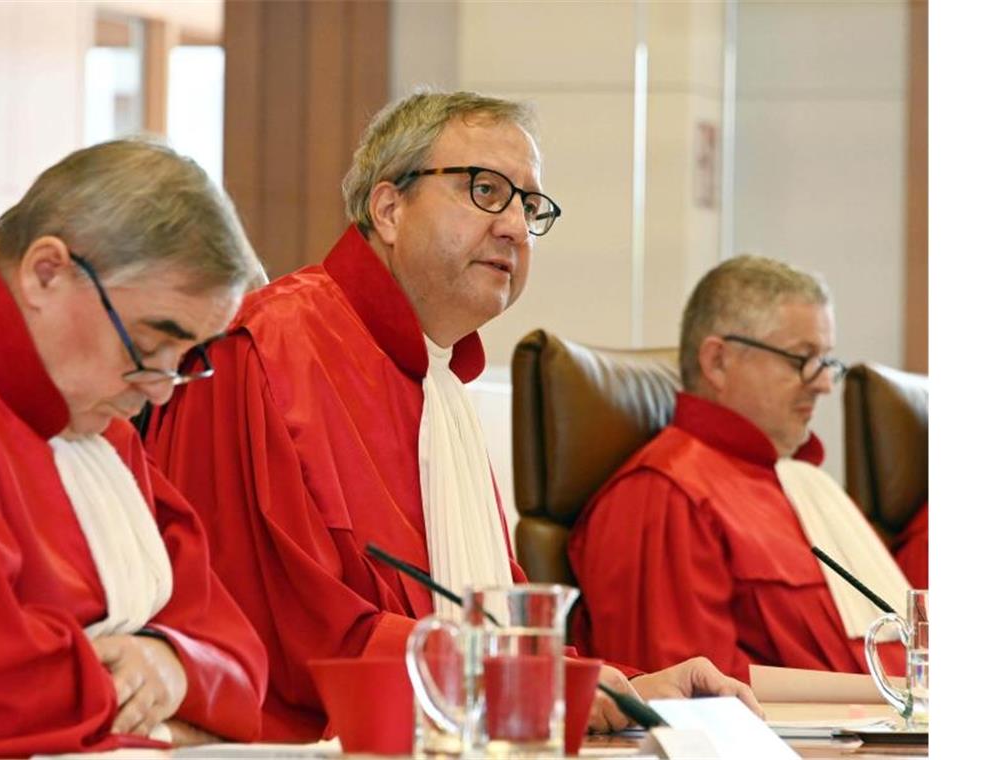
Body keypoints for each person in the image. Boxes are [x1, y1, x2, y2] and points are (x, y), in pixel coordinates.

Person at [147, 90, 759, 741]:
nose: (517, 227)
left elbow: (499, 632)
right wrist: (533, 681)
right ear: (389, 208)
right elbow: (279, 639)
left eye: (529, 205)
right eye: (487, 190)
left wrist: (623, 685)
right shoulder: (265, 350)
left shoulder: (439, 384)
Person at [0, 139, 269, 757]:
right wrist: (168, 721)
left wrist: (171, 664)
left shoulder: (96, 415)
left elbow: (234, 649)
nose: (160, 393)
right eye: (147, 344)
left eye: (183, 363)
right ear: (45, 272)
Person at [569, 255, 910, 681]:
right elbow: (688, 705)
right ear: (717, 361)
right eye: (802, 359)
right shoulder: (666, 495)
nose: (824, 383)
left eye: (826, 361)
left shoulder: (804, 484)